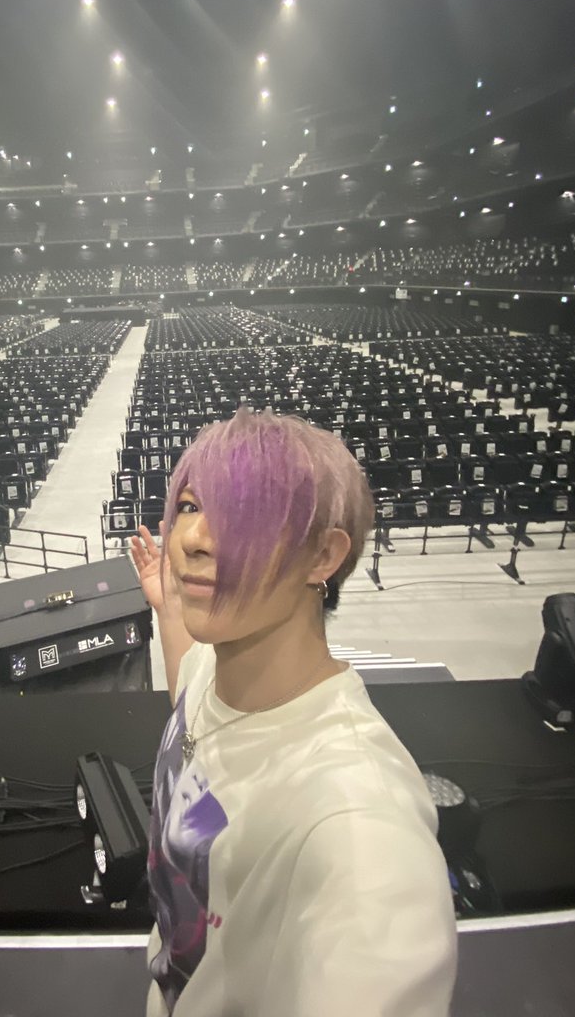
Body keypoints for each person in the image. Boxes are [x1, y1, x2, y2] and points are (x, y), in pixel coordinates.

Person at [129, 405, 458, 1016]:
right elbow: (190, 694)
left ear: (322, 557)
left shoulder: (357, 821)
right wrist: (171, 608)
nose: (193, 538)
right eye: (192, 506)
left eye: (246, 515)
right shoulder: (218, 671)